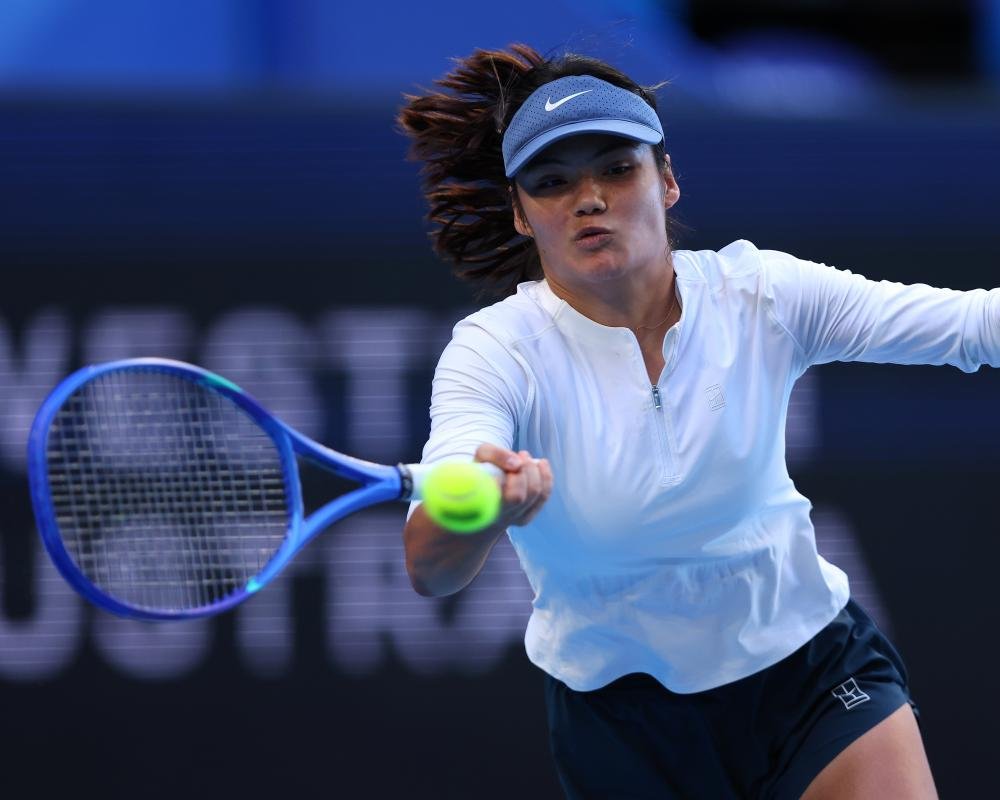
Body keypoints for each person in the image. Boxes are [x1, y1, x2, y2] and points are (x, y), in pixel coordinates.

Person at [397, 43, 991, 798]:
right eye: (552, 182)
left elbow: (973, 327)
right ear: (520, 213)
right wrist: (482, 504)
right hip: (624, 729)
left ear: (666, 180)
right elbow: (430, 566)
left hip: (813, 675)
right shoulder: (494, 352)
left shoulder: (760, 296)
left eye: (617, 168)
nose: (588, 198)